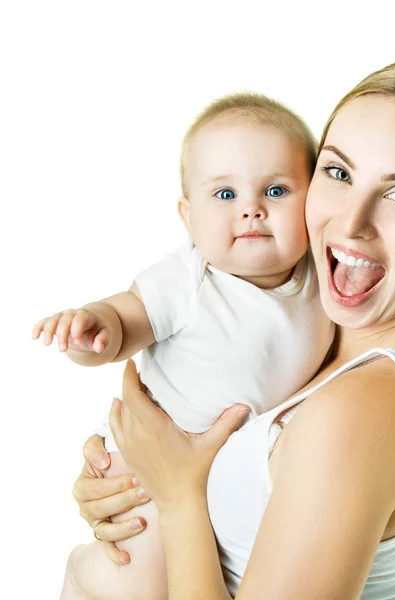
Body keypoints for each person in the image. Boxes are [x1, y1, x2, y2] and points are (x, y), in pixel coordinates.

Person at [69, 58, 395, 600]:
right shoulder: (316, 354)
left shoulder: (362, 411)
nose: (351, 223)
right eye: (338, 173)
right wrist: (129, 482)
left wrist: (179, 497)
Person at [35, 92, 334, 599]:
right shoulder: (192, 277)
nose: (252, 210)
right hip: (145, 470)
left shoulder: (319, 283)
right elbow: (126, 319)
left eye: (277, 190)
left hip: (209, 486)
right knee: (144, 574)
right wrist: (91, 330)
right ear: (188, 216)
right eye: (224, 195)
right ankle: (84, 576)